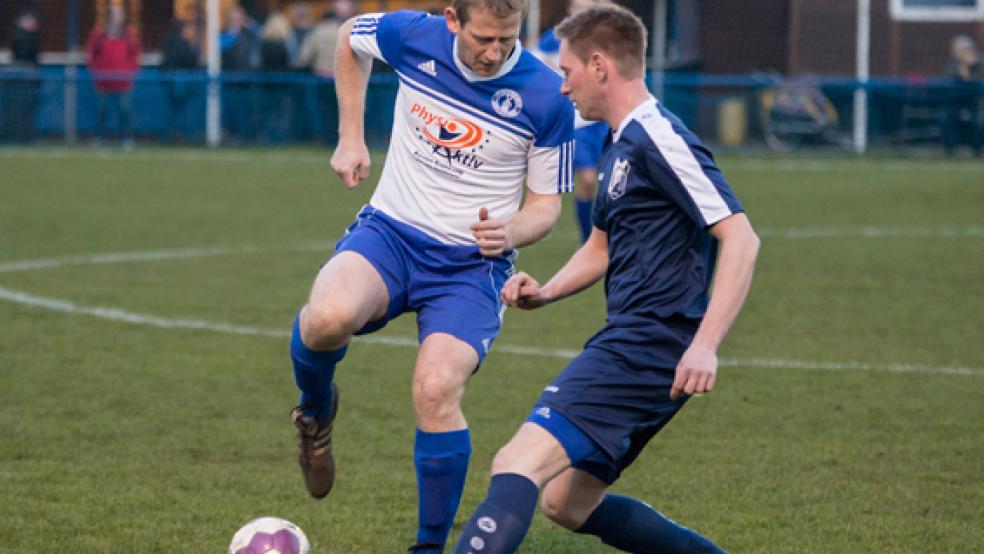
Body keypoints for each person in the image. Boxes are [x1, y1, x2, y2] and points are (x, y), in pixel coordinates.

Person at [453, 5, 760, 553]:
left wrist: (705, 345)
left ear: (599, 66)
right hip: (645, 343)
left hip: (649, 343)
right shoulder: (620, 143)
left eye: (567, 72)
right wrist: (544, 292)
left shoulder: (659, 137)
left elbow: (740, 237)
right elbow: (601, 248)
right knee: (567, 503)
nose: (564, 88)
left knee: (516, 462)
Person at [286, 1, 574, 553]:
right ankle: (316, 413)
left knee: (437, 389)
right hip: (391, 233)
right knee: (325, 319)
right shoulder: (412, 36)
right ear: (452, 19)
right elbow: (349, 37)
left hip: (471, 266)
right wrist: (350, 136)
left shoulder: (543, 93)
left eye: (507, 39)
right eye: (484, 38)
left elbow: (546, 207)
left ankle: (428, 549)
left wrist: (511, 233)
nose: (496, 52)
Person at [534, 0, 609, 243]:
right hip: (577, 122)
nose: (582, 10)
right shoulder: (553, 39)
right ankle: (588, 239)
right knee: (587, 180)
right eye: (578, 6)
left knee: (610, 181)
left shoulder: (604, 37)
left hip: (602, 119)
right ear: (570, 10)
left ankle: (610, 236)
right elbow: (535, 65)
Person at [297, 0, 358, 144]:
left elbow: (305, 57)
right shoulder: (344, 30)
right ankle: (343, 139)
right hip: (344, 78)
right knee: (343, 111)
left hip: (322, 78)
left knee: (323, 112)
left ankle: (326, 139)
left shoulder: (317, 32)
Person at [85, 2, 141, 149]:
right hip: (103, 80)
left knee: (124, 110)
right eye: (117, 13)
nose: (120, 16)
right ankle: (98, 137)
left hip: (123, 81)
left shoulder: (129, 33)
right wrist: (97, 71)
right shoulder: (99, 33)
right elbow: (91, 55)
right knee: (101, 111)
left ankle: (126, 139)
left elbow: (135, 54)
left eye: (121, 13)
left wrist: (129, 71)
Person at [220, 6, 259, 143]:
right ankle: (232, 134)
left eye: (240, 18)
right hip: (230, 79)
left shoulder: (249, 33)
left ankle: (245, 135)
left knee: (246, 109)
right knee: (231, 110)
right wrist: (233, 34)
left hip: (246, 79)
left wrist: (248, 24)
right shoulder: (226, 34)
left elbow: (259, 33)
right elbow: (220, 47)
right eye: (235, 18)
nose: (237, 21)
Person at [1, 8, 40, 143]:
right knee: (19, 110)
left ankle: (23, 135)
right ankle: (19, 136)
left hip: (26, 79)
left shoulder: (31, 36)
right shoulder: (21, 36)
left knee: (25, 110)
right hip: (22, 78)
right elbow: (23, 56)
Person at [942, 35, 983, 157]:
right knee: (946, 118)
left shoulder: (979, 63)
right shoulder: (952, 63)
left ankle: (977, 151)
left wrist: (971, 65)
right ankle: (951, 151)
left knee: (977, 121)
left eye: (964, 49)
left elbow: (975, 79)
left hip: (974, 103)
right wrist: (964, 65)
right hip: (954, 102)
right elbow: (955, 76)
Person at [161, 19, 201, 143]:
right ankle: (182, 135)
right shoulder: (181, 44)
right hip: (180, 81)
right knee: (182, 109)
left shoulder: (169, 42)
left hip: (172, 80)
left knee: (174, 109)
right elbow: (190, 60)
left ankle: (173, 134)